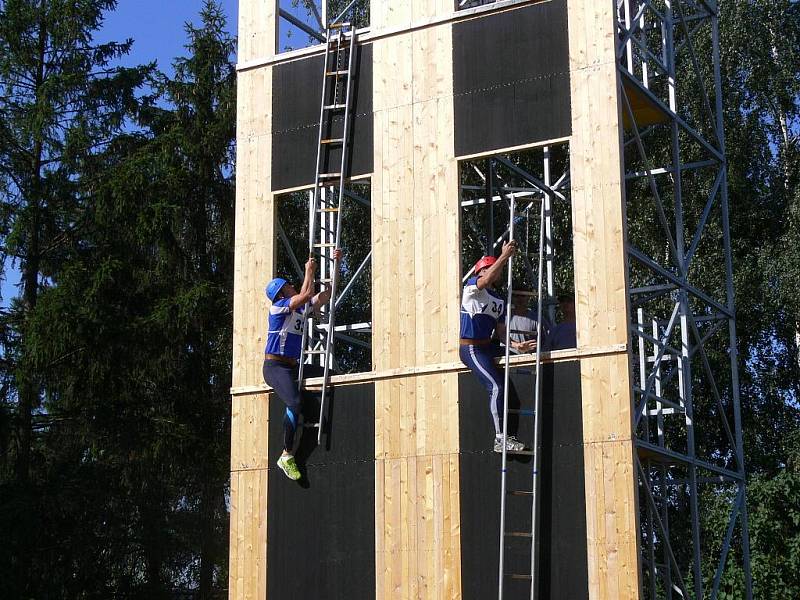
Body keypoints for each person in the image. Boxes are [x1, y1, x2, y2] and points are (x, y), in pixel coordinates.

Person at [264, 250, 341, 481]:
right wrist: (309, 271)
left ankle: (298, 446)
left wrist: (336, 266)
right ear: (281, 293)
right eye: (288, 286)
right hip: (275, 367)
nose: (292, 287)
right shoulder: (278, 308)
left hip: (293, 366)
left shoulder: (298, 308)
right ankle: (286, 454)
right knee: (294, 401)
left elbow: (324, 296)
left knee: (331, 376)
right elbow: (306, 294)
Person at [460, 241, 525, 453]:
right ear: (481, 271)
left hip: (488, 346)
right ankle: (500, 439)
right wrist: (504, 256)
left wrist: (516, 345)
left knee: (512, 381)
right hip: (471, 349)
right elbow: (486, 279)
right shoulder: (472, 287)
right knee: (497, 387)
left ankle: (510, 434)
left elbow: (501, 331)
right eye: (489, 267)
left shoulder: (499, 300)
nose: (494, 271)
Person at [506, 290, 547, 354]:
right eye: (516, 296)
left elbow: (547, 341)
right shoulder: (504, 316)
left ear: (528, 297)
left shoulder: (537, 318)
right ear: (512, 298)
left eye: (523, 296)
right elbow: (497, 337)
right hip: (507, 358)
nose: (520, 298)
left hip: (530, 358)